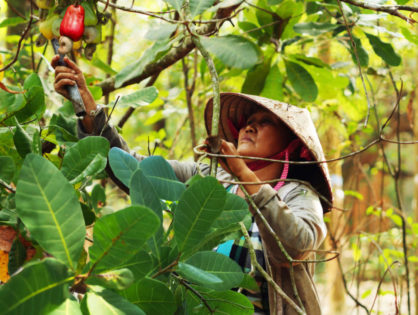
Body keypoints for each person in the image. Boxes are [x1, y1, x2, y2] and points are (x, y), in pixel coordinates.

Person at [52, 55, 333, 315]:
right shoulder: (209, 178)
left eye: (264, 122)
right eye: (248, 122)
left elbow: (295, 246)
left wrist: (241, 171)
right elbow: (135, 171)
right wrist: (85, 105)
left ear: (292, 143)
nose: (249, 127)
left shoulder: (298, 194)